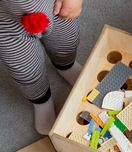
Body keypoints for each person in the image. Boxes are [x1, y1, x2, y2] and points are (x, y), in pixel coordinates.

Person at [0, 0, 83, 135]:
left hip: (55, 7)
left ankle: (66, 66)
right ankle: (41, 99)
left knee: (66, 43)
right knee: (25, 69)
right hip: (6, 24)